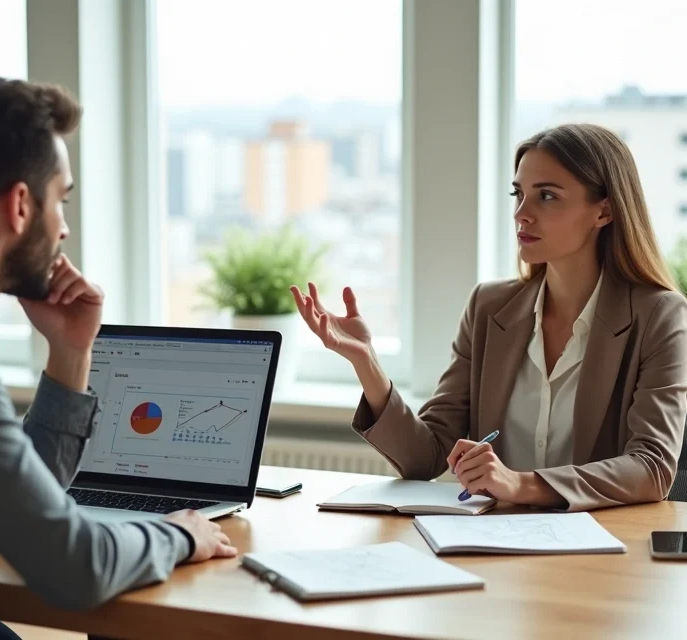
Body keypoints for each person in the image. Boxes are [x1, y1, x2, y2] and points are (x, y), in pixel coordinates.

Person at [0, 75, 236, 640]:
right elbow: (73, 567)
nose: (65, 227)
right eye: (62, 199)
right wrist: (180, 535)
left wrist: (71, 353)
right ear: (21, 205)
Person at [292, 123, 687, 512]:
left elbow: (651, 468)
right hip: (496, 547)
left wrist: (520, 484)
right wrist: (366, 361)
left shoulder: (659, 315)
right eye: (519, 194)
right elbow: (425, 457)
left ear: (605, 210)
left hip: (601, 551)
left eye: (546, 196)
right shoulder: (489, 307)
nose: (521, 214)